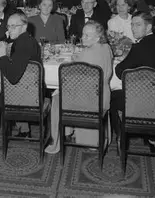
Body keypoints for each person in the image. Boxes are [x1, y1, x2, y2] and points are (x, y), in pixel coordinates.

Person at [46, 22, 113, 154]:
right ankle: (74, 133)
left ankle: (60, 137)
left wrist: (60, 89)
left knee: (56, 97)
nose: (83, 38)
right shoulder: (106, 47)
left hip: (88, 101)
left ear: (98, 37)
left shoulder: (87, 53)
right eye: (83, 34)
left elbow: (73, 79)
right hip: (103, 97)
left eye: (88, 35)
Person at [111, 12, 155, 152]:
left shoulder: (139, 48)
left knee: (113, 95)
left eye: (138, 25)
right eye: (132, 24)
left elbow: (120, 71)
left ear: (149, 27)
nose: (133, 28)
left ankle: (121, 138)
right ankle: (153, 139)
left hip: (140, 104)